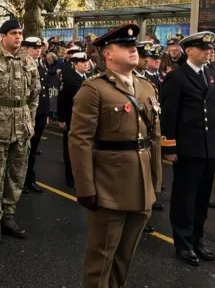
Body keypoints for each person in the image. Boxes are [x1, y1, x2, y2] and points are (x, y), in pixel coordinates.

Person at [69, 24, 162, 288]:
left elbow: (153, 138)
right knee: (101, 259)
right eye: (125, 46)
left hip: (141, 185)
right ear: (107, 54)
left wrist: (155, 182)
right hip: (108, 186)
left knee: (125, 257)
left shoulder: (146, 87)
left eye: (134, 46)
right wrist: (85, 188)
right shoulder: (93, 90)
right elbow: (80, 142)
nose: (134, 49)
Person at [0, 19, 40, 243]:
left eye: (20, 33)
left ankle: (8, 215)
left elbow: (35, 94)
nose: (18, 37)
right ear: (3, 36)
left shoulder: (28, 61)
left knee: (16, 175)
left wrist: (30, 120)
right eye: (13, 33)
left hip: (21, 126)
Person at [161, 31, 215, 266]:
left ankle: (198, 239)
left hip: (208, 147)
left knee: (202, 198)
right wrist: (170, 145)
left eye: (210, 48)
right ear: (189, 51)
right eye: (204, 48)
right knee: (185, 198)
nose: (209, 52)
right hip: (187, 147)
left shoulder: (213, 73)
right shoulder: (177, 78)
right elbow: (169, 114)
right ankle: (184, 243)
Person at [57, 51, 89, 188]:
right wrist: (62, 119)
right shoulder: (69, 78)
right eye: (82, 62)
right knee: (70, 149)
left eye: (87, 62)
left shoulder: (88, 77)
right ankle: (70, 178)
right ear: (75, 64)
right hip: (72, 117)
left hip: (85, 118)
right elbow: (62, 99)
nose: (86, 64)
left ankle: (82, 176)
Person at [22, 37, 47, 193]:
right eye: (34, 48)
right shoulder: (22, 65)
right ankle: (22, 180)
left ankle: (29, 178)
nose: (38, 50)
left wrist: (46, 112)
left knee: (33, 148)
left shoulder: (41, 64)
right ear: (25, 48)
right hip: (27, 113)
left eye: (39, 48)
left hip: (40, 112)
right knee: (24, 149)